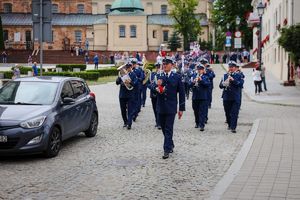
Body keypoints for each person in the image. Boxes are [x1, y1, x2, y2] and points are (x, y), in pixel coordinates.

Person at [152, 57, 185, 159]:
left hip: (171, 107)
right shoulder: (158, 75)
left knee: (168, 128)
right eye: (164, 64)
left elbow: (182, 93)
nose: (165, 65)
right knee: (163, 128)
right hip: (160, 106)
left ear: (172, 65)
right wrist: (156, 88)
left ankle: (166, 150)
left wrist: (181, 108)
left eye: (167, 64)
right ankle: (170, 143)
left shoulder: (177, 77)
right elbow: (151, 86)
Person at [219, 61, 244, 133]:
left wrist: (233, 80)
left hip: (235, 97)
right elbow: (220, 86)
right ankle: (229, 124)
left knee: (234, 113)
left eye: (232, 67)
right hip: (226, 97)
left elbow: (241, 85)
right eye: (230, 67)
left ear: (235, 68)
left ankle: (233, 127)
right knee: (227, 112)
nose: (231, 68)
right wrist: (225, 83)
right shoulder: (225, 75)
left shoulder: (239, 75)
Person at [116, 63, 138, 130]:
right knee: (123, 110)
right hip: (122, 95)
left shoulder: (133, 75)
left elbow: (135, 84)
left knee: (130, 110)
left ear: (131, 67)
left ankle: (129, 123)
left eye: (129, 67)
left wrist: (130, 82)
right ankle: (125, 122)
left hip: (130, 95)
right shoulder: (122, 74)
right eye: (126, 67)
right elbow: (117, 82)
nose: (128, 68)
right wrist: (119, 78)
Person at [190, 64, 210, 131]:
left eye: (200, 69)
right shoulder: (193, 76)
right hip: (195, 96)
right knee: (195, 110)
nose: (199, 71)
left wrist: (201, 80)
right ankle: (197, 122)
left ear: (203, 70)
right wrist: (193, 82)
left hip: (203, 97)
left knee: (202, 111)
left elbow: (207, 84)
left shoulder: (205, 77)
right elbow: (189, 84)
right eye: (198, 69)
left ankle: (202, 125)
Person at [148, 63, 161, 129]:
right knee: (155, 109)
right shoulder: (152, 74)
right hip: (153, 94)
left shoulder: (162, 74)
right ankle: (157, 121)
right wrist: (153, 88)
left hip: (160, 94)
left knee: (159, 108)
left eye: (159, 67)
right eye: (157, 67)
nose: (158, 68)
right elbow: (148, 84)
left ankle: (159, 123)